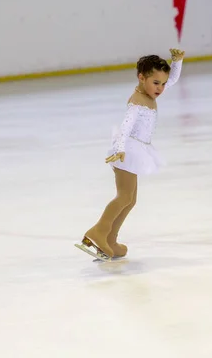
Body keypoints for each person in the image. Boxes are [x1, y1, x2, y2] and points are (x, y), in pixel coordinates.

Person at [79, 48, 185, 260]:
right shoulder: (136, 102)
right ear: (141, 77)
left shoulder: (149, 92)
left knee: (131, 199)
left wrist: (177, 62)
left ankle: (110, 239)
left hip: (136, 150)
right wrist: (119, 149)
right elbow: (125, 127)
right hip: (128, 151)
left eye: (162, 84)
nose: (161, 88)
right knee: (124, 196)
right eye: (156, 83)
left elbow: (171, 79)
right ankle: (98, 231)